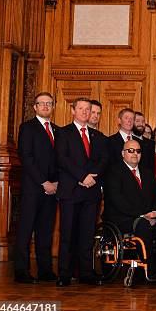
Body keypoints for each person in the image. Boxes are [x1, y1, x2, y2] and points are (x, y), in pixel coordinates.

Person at [103, 140, 156, 279]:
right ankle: (149, 267)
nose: (135, 154)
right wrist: (142, 216)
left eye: (138, 151)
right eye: (131, 150)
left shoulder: (147, 173)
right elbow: (116, 200)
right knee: (142, 225)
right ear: (123, 153)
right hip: (122, 218)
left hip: (148, 217)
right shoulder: (114, 171)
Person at [55, 97, 108, 287]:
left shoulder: (98, 136)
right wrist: (82, 176)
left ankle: (86, 273)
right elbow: (62, 159)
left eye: (88, 109)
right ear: (73, 110)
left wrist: (92, 176)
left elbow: (103, 160)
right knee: (68, 234)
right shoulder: (63, 133)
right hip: (71, 190)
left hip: (91, 192)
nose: (86, 112)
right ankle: (64, 274)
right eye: (82, 109)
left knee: (87, 234)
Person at [14, 92, 59, 284]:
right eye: (42, 103)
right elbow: (27, 158)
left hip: (53, 189)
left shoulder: (58, 130)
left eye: (49, 103)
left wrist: (56, 183)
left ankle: (45, 270)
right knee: (26, 230)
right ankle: (21, 272)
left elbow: (60, 160)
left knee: (45, 231)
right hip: (33, 188)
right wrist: (44, 182)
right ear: (35, 107)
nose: (46, 106)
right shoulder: (27, 128)